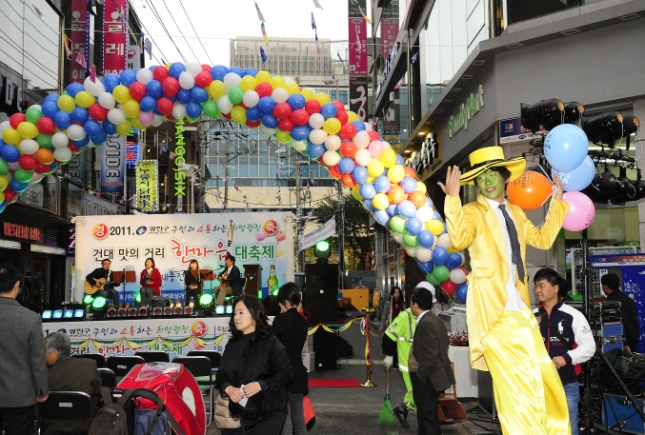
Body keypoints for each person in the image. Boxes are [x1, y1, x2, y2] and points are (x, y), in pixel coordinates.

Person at [439, 146, 571, 434]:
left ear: (504, 177)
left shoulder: (515, 210)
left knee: (541, 372)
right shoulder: (473, 211)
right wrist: (452, 199)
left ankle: (551, 429)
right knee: (512, 385)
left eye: (492, 174)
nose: (487, 181)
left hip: (519, 308)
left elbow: (544, 238)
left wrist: (558, 202)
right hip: (492, 310)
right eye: (481, 176)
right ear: (474, 184)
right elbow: (459, 238)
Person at [216, 295, 292, 434]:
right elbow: (221, 374)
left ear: (254, 314)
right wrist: (229, 389)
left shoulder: (270, 342)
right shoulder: (232, 344)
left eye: (241, 312)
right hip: (238, 414)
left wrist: (261, 385)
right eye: (234, 313)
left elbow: (286, 373)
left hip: (267, 413)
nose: (236, 317)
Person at [534, 268, 595, 435]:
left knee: (568, 424)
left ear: (555, 288)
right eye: (536, 286)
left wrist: (566, 358)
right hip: (538, 384)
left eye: (542, 285)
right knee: (541, 424)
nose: (537, 290)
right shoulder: (531, 316)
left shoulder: (573, 315)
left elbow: (589, 346)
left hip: (566, 382)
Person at [0, 264, 48, 435]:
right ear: (17, 285)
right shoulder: (30, 318)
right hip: (20, 395)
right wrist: (41, 390)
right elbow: (37, 359)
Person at [382, 282, 438, 429]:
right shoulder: (404, 316)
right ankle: (419, 420)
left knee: (419, 394)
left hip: (423, 363)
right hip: (408, 363)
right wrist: (389, 355)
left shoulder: (428, 316)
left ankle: (403, 409)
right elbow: (389, 336)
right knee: (417, 393)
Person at [408, 284, 455, 435]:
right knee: (429, 416)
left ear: (416, 304)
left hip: (428, 378)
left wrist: (421, 376)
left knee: (426, 417)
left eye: (410, 302)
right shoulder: (434, 319)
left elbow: (430, 355)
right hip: (433, 377)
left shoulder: (427, 323)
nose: (410, 305)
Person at [42, 332, 102, 435]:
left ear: (55, 353)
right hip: (86, 428)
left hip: (51, 429)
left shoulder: (43, 374)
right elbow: (98, 390)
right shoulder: (89, 365)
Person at [272, 283, 308, 435]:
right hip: (298, 374)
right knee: (299, 421)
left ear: (286, 302)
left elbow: (271, 347)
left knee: (285, 420)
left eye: (281, 304)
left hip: (282, 374)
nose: (280, 308)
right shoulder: (303, 322)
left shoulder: (280, 321)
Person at [601, 273, 640, 353]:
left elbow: (618, 324)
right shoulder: (629, 300)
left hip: (622, 344)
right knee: (633, 364)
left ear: (606, 286)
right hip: (633, 341)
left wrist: (625, 343)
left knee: (621, 364)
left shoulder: (611, 303)